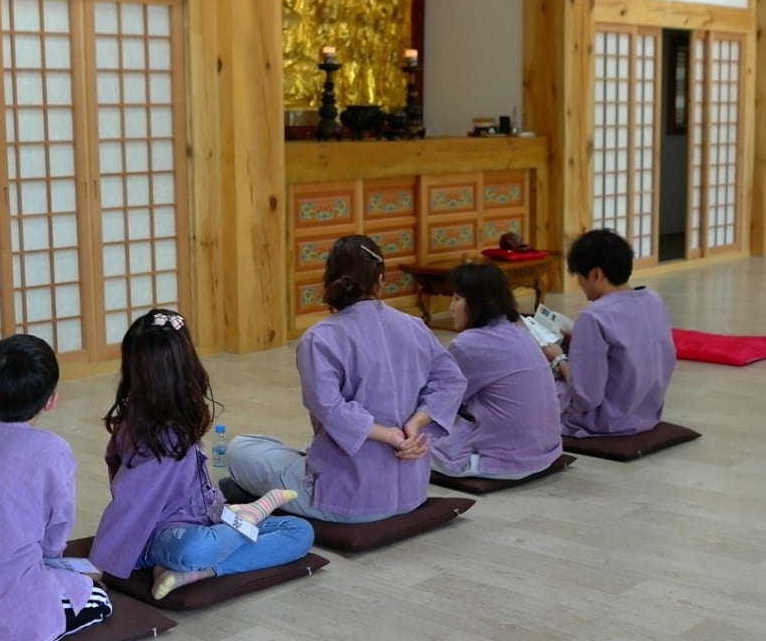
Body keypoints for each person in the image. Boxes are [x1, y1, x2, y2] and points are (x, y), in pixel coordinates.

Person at [226, 235, 467, 523]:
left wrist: (389, 435)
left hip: (345, 499)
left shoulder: (320, 338)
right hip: (411, 493)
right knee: (281, 448)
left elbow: (329, 407)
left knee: (239, 449)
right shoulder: (413, 326)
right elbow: (451, 380)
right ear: (381, 281)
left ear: (330, 280)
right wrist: (414, 425)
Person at [89, 309, 314, 600]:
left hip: (211, 517)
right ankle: (251, 515)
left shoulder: (177, 415)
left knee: (299, 532)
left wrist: (222, 512)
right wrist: (97, 567)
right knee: (196, 549)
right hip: (162, 537)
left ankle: (195, 573)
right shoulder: (150, 431)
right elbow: (128, 503)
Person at [0, 334, 112, 641]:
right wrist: (59, 569)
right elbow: (56, 532)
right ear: (51, 399)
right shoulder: (53, 451)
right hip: (13, 596)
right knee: (99, 598)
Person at [430, 262, 563, 479]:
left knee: (408, 441)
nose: (451, 308)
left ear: (478, 302)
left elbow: (441, 401)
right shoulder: (520, 332)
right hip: (547, 450)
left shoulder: (468, 344)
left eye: (457, 298)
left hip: (504, 461)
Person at [542, 229, 677, 437]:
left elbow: (586, 397)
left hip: (604, 422)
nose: (580, 284)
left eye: (579, 276)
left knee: (536, 383)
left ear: (596, 274)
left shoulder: (594, 316)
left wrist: (558, 359)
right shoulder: (653, 300)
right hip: (646, 412)